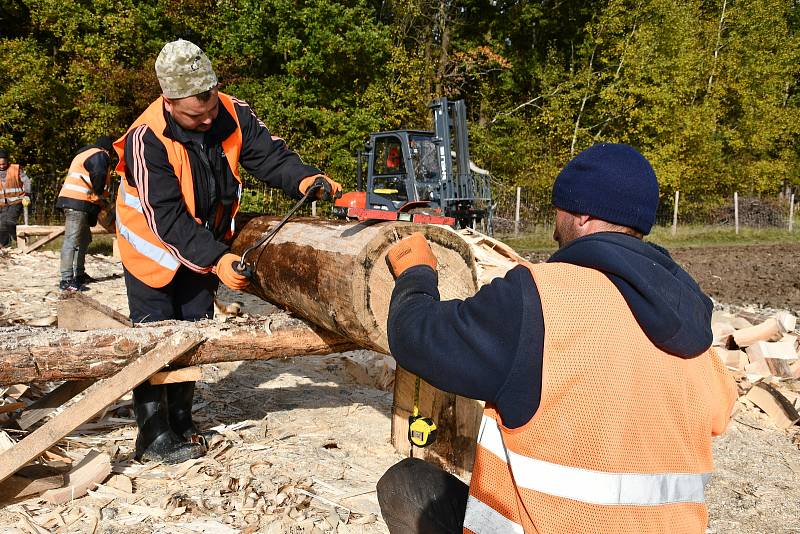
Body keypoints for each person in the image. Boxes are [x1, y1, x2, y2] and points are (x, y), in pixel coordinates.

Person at [377, 143, 737, 534]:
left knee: (407, 485)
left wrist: (416, 273)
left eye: (559, 208)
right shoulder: (691, 328)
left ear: (581, 214)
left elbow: (417, 337)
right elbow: (719, 412)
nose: (555, 222)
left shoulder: (539, 297)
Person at [114, 39, 341, 464]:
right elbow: (168, 219)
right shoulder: (146, 138)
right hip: (152, 247)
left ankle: (181, 420)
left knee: (194, 331)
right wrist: (216, 259)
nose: (206, 120)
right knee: (155, 338)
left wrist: (304, 179)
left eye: (211, 109)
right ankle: (152, 434)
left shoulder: (232, 112)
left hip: (203, 241)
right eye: (195, 116)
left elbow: (270, 157)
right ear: (169, 101)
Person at [55, 136, 115, 291]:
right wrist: (100, 193)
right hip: (77, 202)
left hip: (79, 201)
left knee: (84, 239)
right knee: (72, 240)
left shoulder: (86, 153)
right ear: (109, 149)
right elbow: (99, 175)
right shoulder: (100, 154)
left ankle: (79, 274)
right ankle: (67, 279)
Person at [0, 149, 32, 247]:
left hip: (17, 201)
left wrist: (27, 195)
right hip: (2, 204)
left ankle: (20, 241)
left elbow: (27, 182)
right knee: (1, 225)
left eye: (3, 164)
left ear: (7, 161)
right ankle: (4, 246)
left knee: (10, 222)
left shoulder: (15, 168)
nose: (1, 166)